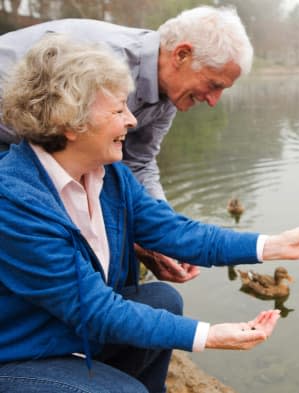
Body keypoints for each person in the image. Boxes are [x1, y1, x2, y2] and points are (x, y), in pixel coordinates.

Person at [0, 34, 299, 393]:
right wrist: (209, 335)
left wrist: (274, 245)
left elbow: (177, 233)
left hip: (63, 328)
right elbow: (97, 311)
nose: (131, 120)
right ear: (70, 121)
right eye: (117, 110)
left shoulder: (110, 176)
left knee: (163, 300)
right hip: (19, 353)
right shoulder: (15, 201)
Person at [0, 5, 253, 281]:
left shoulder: (169, 92)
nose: (213, 101)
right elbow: (52, 155)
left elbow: (140, 162)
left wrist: (168, 238)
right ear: (182, 54)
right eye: (214, 85)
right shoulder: (102, 65)